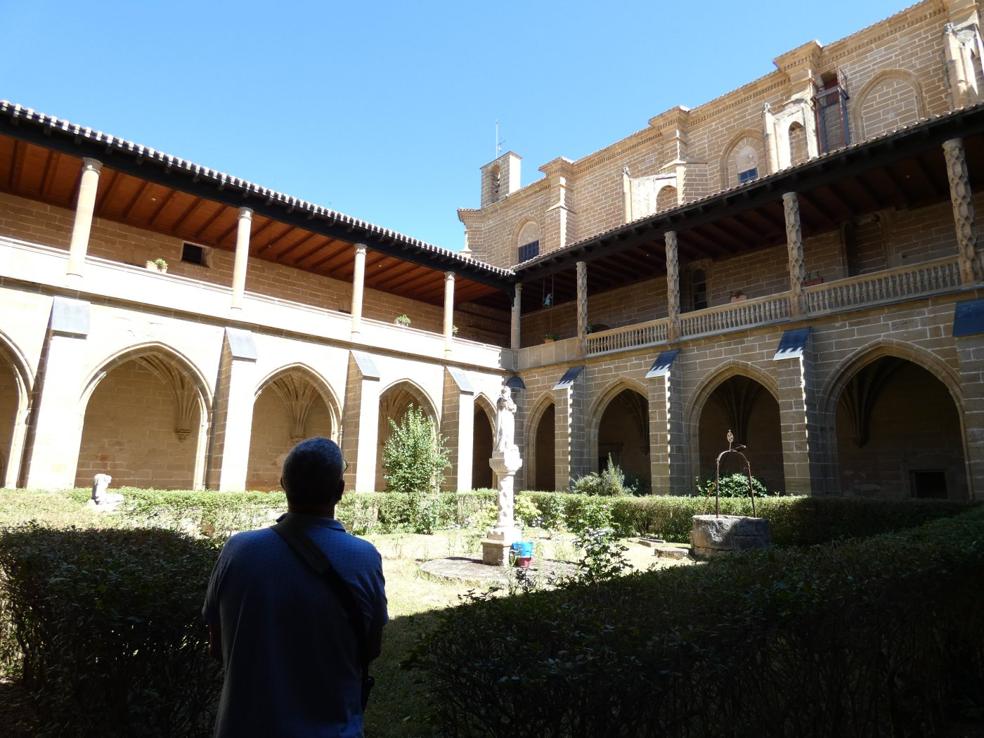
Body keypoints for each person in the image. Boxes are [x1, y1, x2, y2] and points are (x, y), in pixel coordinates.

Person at [203, 437, 387, 738]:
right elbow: (370, 649)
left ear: (282, 484)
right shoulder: (363, 558)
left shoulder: (237, 551)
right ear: (340, 491)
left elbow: (216, 646)